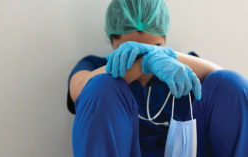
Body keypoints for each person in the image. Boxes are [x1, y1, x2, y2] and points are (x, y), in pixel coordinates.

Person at [67, 0, 248, 156]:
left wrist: (163, 56)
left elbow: (232, 90)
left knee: (229, 83)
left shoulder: (177, 68)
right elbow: (80, 90)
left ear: (165, 39)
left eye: (155, 46)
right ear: (114, 41)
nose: (146, 53)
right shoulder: (94, 66)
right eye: (134, 49)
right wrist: (140, 65)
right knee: (100, 86)